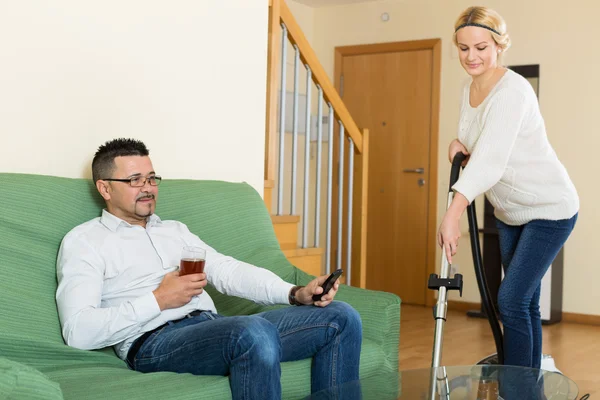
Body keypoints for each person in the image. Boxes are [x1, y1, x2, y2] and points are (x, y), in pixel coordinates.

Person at [56, 138, 362, 399]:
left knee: (341, 316)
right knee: (252, 331)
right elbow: (78, 331)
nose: (148, 188)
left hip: (213, 327)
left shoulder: (174, 230)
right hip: (153, 342)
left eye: (151, 178)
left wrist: (296, 293)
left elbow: (226, 271)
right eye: (135, 180)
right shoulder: (85, 241)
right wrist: (159, 299)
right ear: (105, 188)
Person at [439, 6, 579, 370]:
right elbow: (480, 148)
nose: (472, 56)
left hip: (549, 208)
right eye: (464, 48)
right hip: (509, 209)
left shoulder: (512, 90)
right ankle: (530, 383)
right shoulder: (467, 88)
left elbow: (490, 161)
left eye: (482, 47)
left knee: (512, 300)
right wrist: (459, 146)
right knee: (525, 302)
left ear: (500, 45)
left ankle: (516, 390)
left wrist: (452, 213)